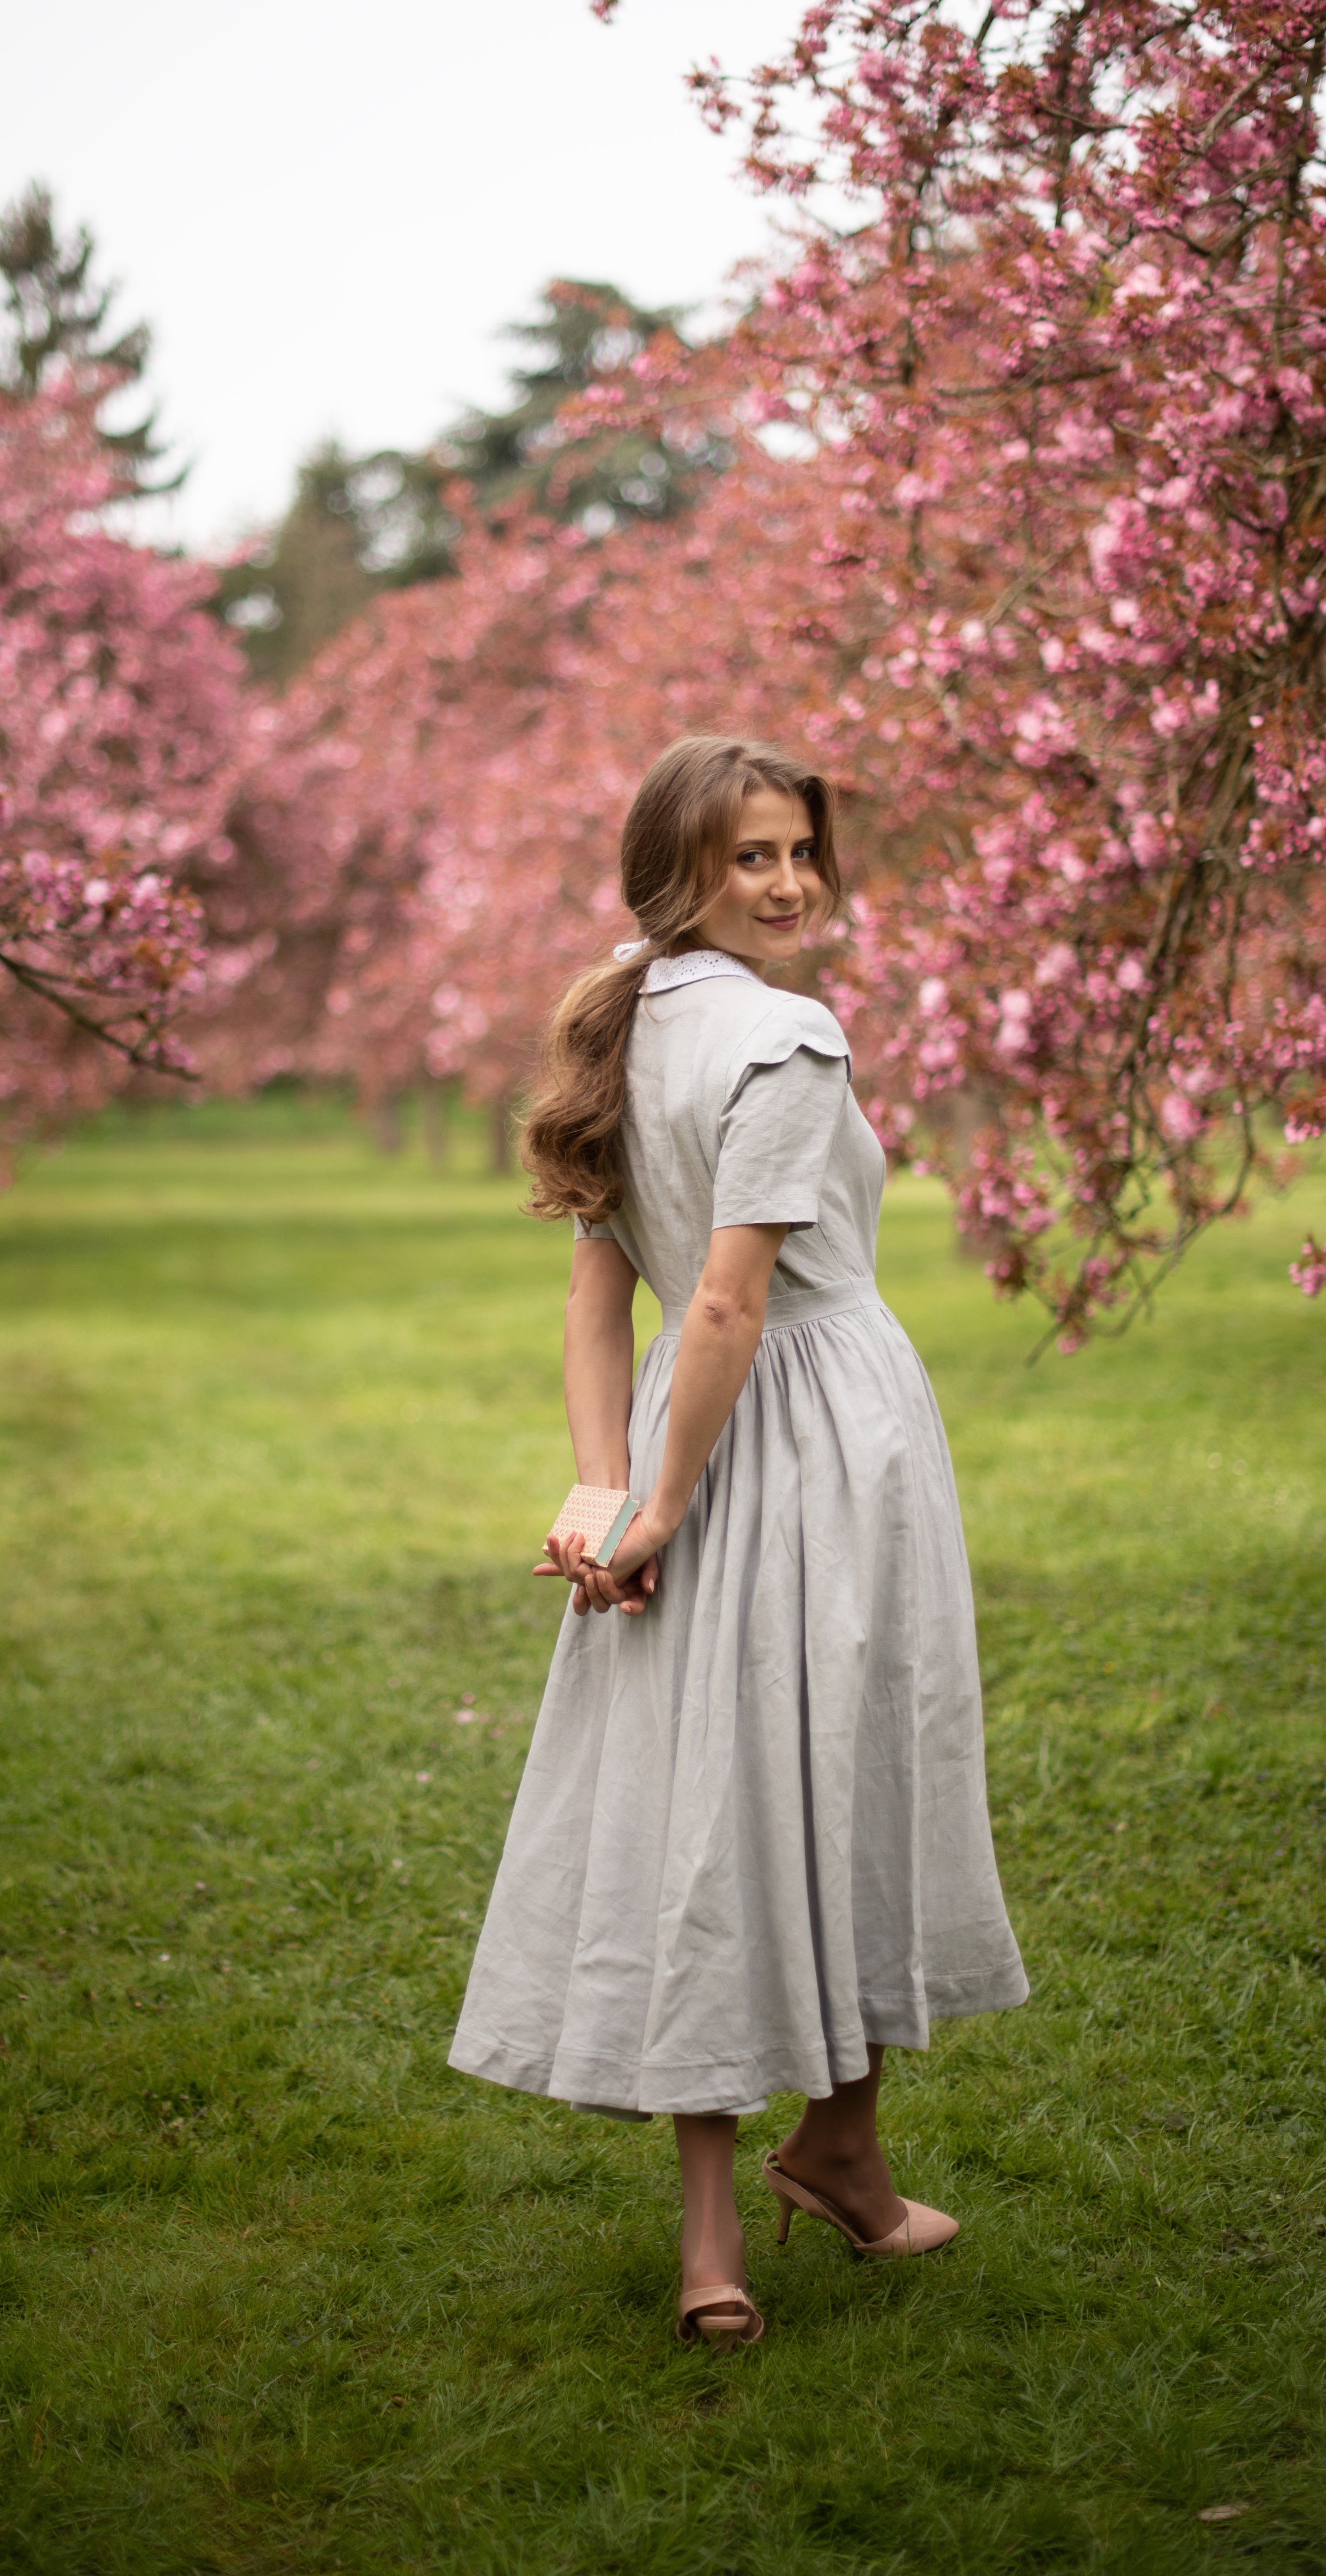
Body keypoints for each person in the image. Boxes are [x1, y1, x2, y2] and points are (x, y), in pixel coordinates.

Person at [448, 735, 1027, 2351]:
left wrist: (605, 1484)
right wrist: (655, 1504)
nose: (784, 884)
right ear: (674, 872)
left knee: (713, 1788)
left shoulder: (620, 1018)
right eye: (746, 858)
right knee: (826, 1768)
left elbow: (598, 1298)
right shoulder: (788, 1038)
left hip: (681, 1425)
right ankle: (813, 2162)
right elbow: (724, 1296)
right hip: (809, 1430)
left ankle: (780, 2197)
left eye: (798, 852)